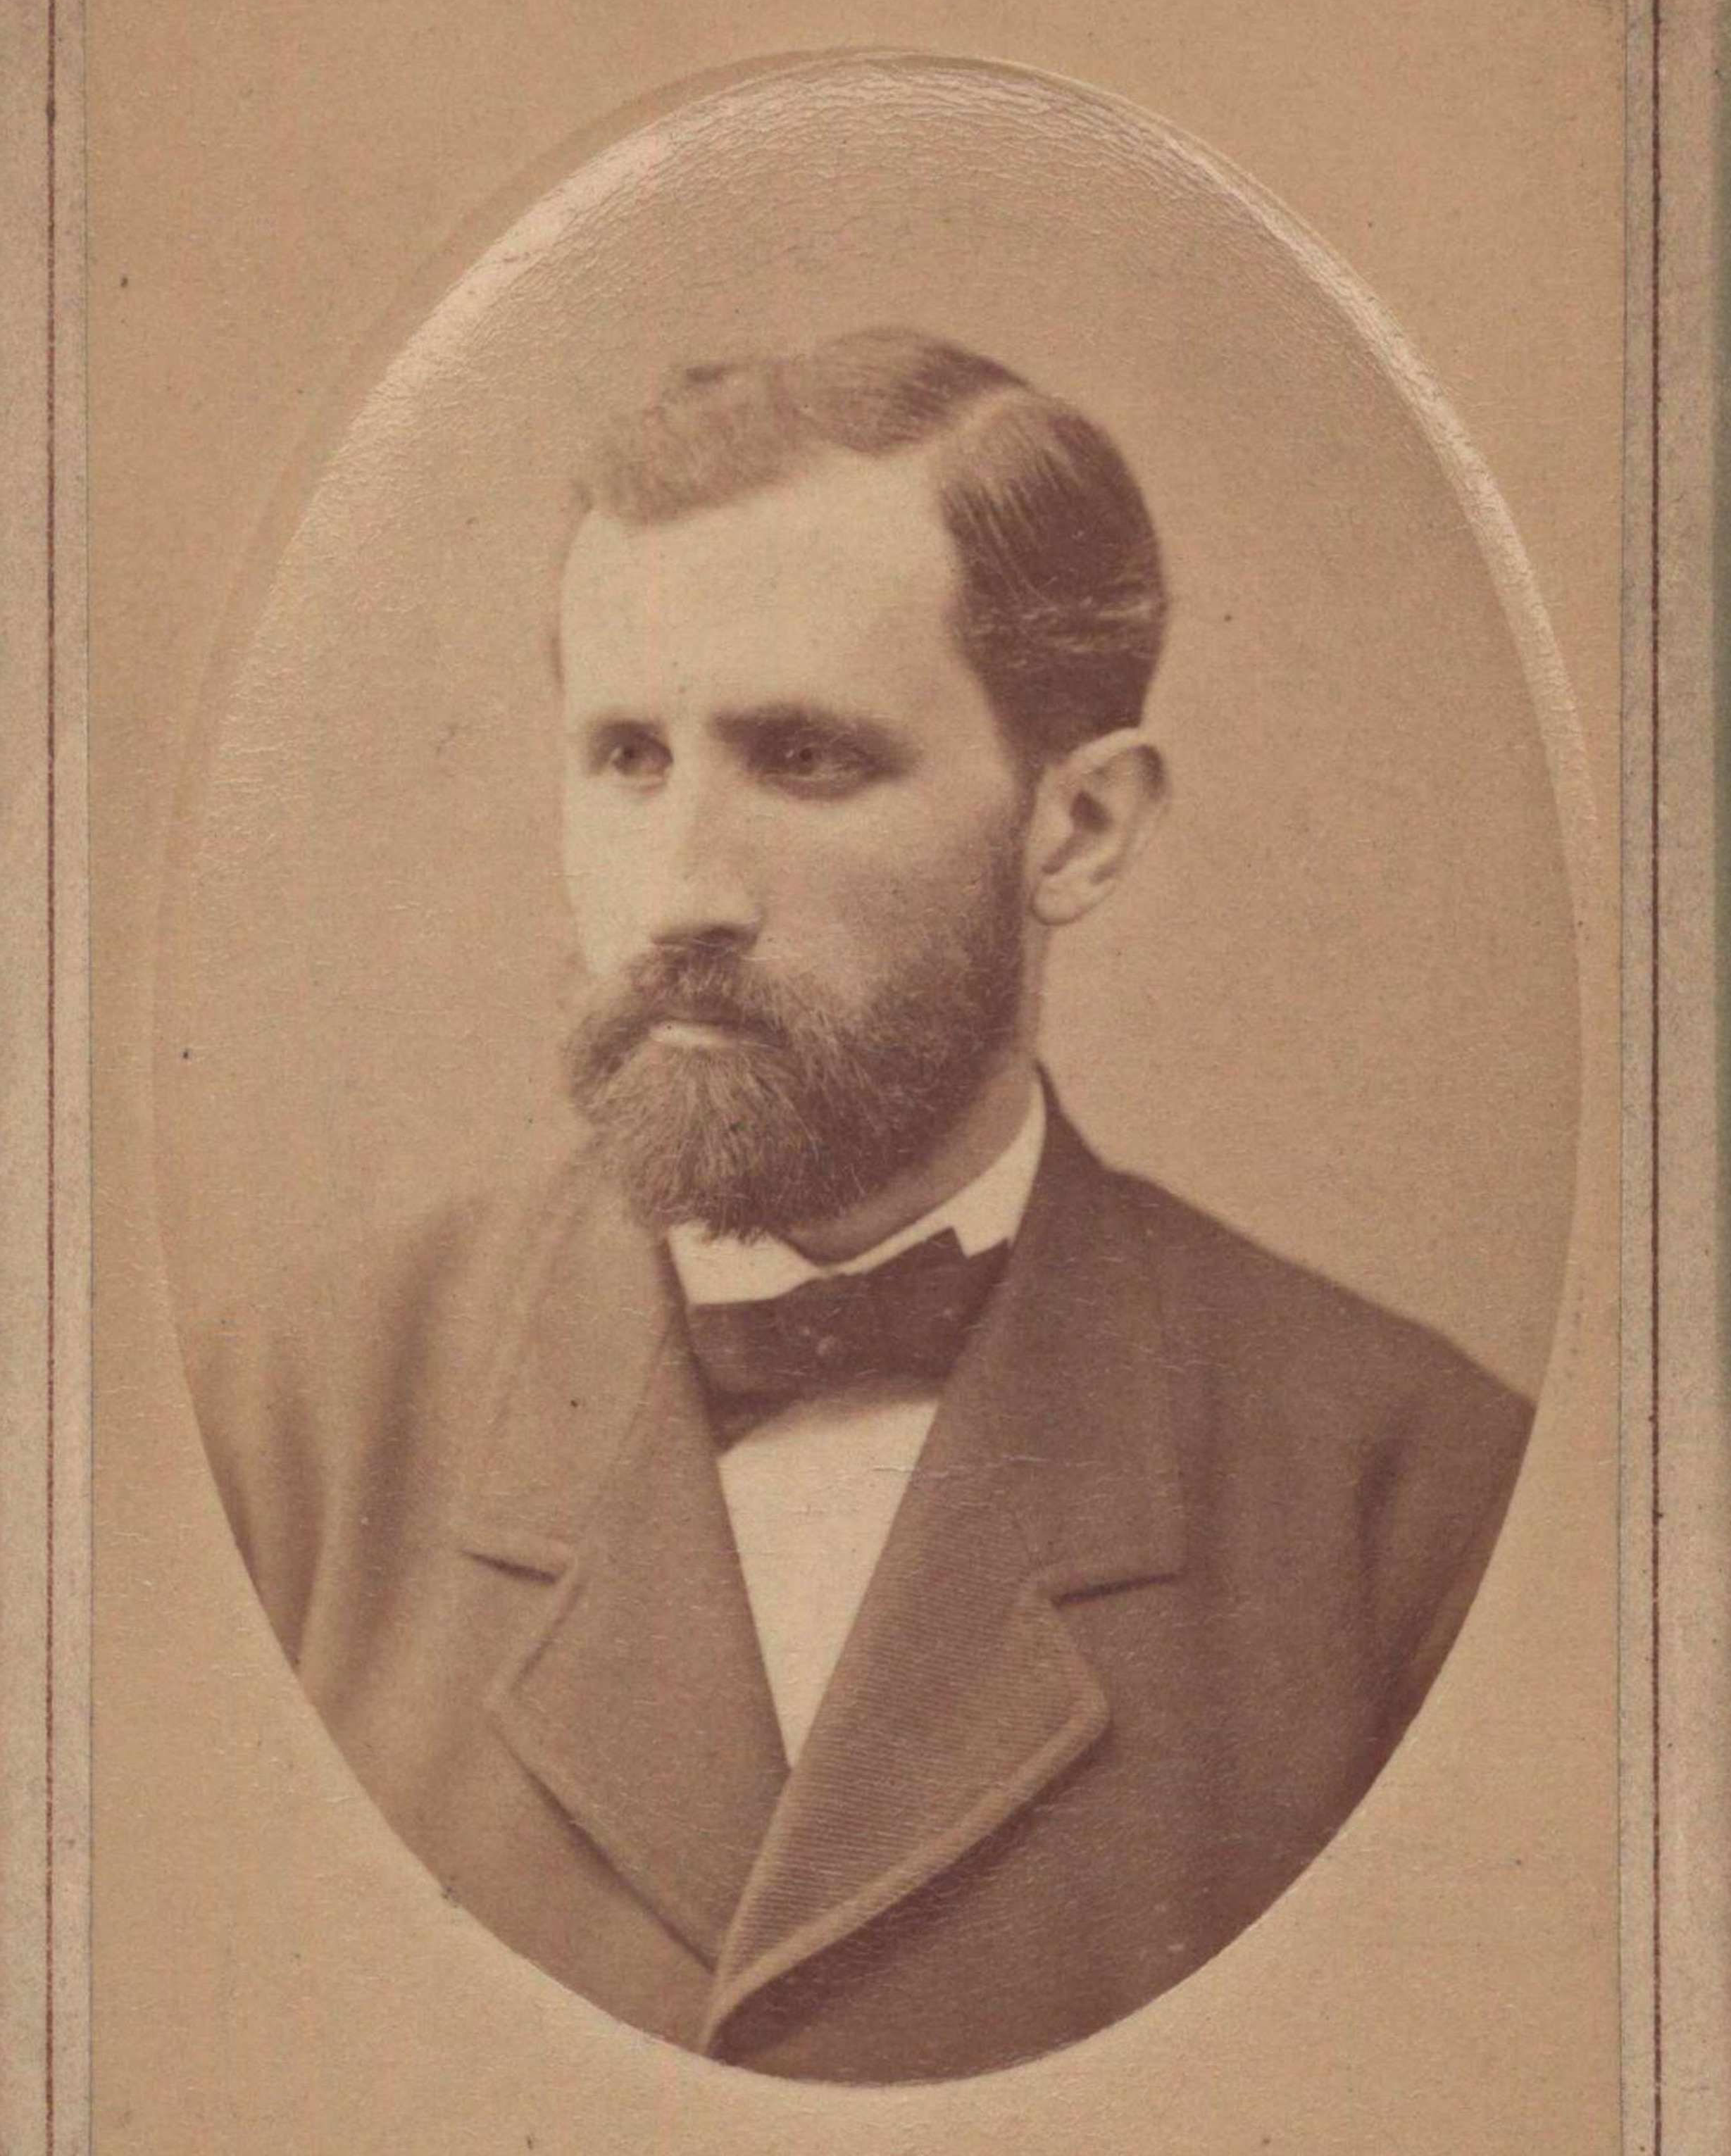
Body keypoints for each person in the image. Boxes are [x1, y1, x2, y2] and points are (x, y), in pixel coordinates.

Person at [195, 327, 1532, 2083]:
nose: (680, 890)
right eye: (623, 758)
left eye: (806, 759)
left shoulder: (1415, 1505)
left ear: (1079, 830)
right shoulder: (281, 1433)